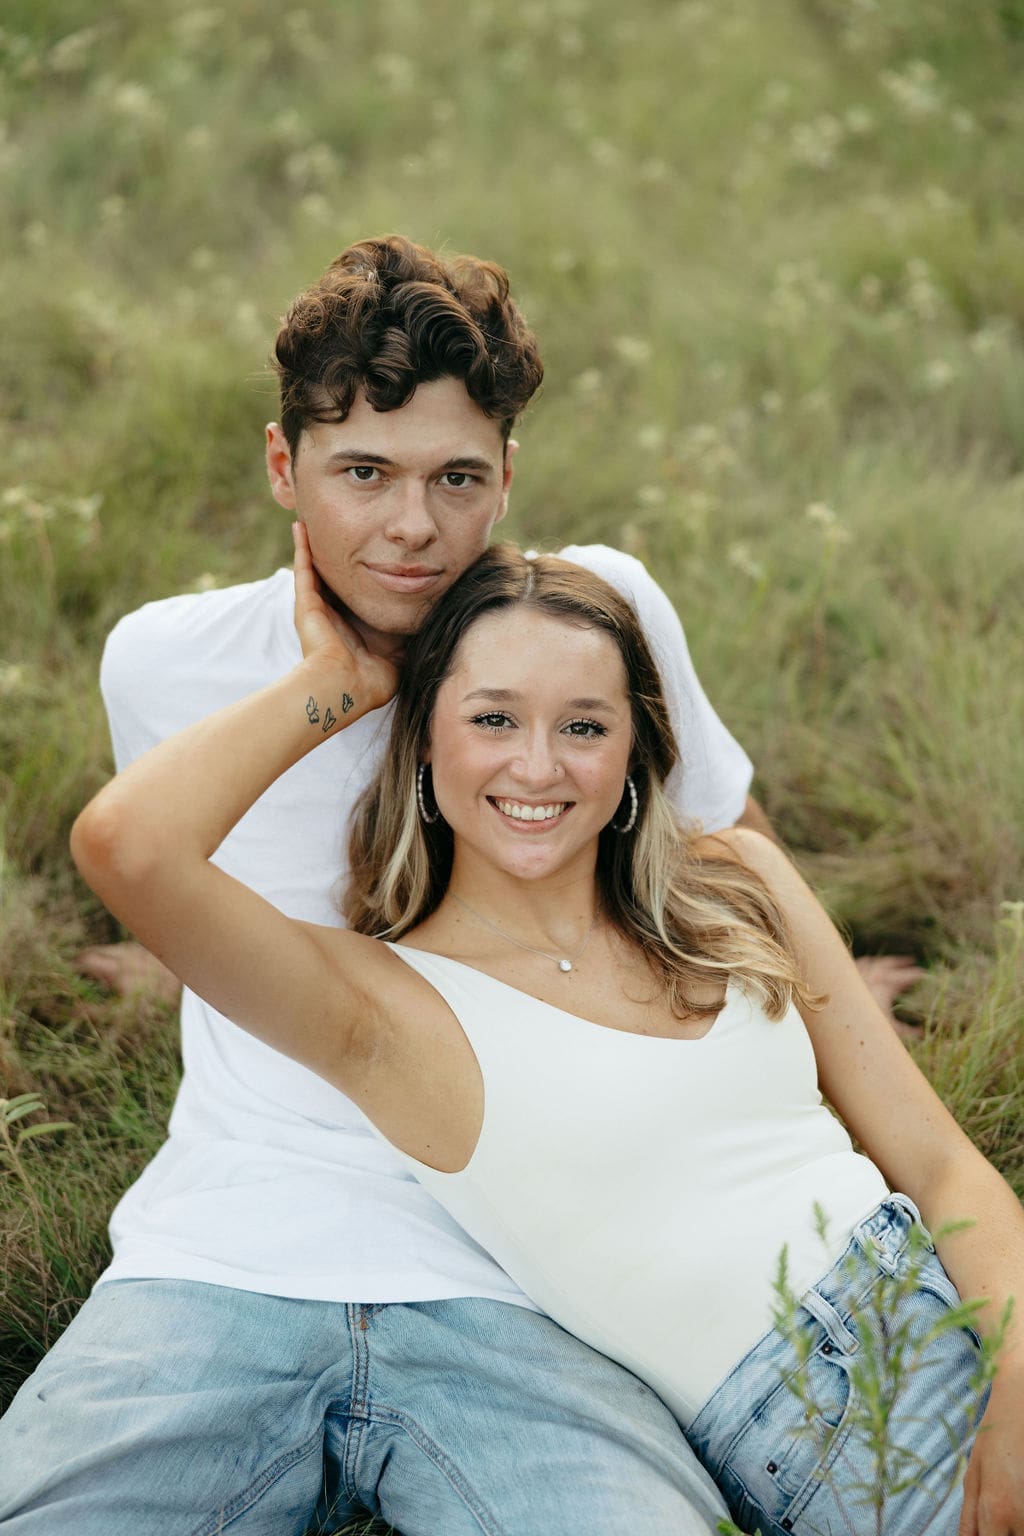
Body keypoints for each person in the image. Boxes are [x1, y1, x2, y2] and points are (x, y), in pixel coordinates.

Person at [0, 235, 747, 1534]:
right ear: (284, 469)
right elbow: (166, 883)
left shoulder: (598, 620)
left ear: (508, 473)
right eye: (364, 474)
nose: (413, 527)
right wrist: (339, 685)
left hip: (535, 1285)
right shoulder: (165, 664)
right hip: (221, 1258)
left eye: (457, 477)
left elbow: (731, 878)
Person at [67, 530, 1024, 1535]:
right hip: (837, 1427)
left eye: (583, 726)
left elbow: (937, 1161)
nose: (538, 766)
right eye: (491, 718)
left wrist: (1015, 1370)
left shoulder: (736, 882)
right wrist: (344, 680)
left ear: (633, 745)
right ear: (424, 739)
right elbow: (127, 847)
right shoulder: (385, 1008)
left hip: (970, 1304)